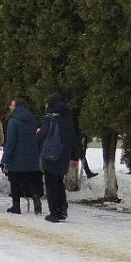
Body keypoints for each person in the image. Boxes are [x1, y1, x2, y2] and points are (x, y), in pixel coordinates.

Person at [37, 93, 78, 222]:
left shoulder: (48, 117)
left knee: (51, 184)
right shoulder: (67, 118)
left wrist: (38, 134)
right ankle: (62, 209)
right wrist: (74, 156)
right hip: (64, 155)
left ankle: (54, 212)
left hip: (50, 154)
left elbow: (42, 136)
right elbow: (74, 139)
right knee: (59, 182)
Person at [0, 98, 44, 215]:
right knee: (30, 181)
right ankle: (35, 198)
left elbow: (10, 143)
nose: (10, 107)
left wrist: (4, 160)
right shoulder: (32, 120)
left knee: (15, 182)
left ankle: (16, 206)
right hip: (31, 158)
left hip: (16, 159)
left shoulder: (13, 122)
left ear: (17, 107)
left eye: (12, 105)